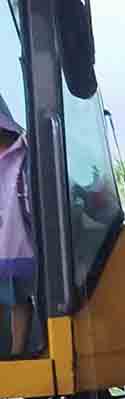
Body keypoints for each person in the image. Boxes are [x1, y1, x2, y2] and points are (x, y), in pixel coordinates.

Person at [0, 96, 34, 355]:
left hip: (18, 243)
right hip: (9, 242)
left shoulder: (24, 156)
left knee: (18, 299)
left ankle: (17, 353)